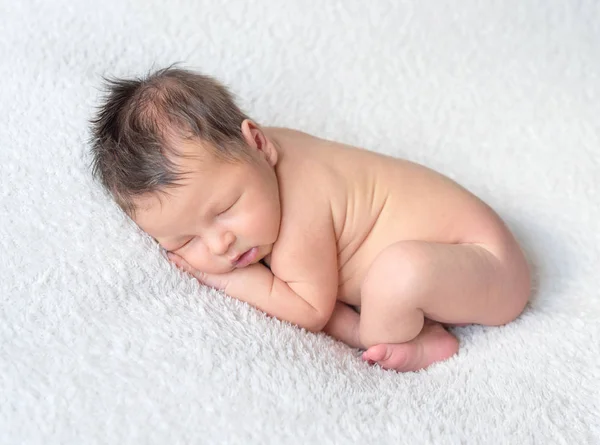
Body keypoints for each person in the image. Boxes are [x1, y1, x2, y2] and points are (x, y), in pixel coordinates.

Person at [90, 66, 531, 372]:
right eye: (184, 242)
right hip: (461, 264)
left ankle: (422, 343)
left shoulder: (301, 204)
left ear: (259, 143)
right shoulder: (244, 167)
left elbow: (309, 310)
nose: (220, 244)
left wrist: (233, 282)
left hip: (490, 269)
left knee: (398, 276)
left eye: (225, 210)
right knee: (395, 272)